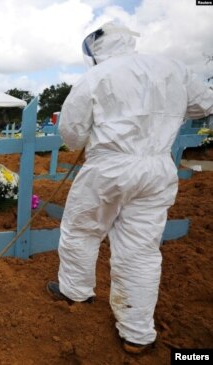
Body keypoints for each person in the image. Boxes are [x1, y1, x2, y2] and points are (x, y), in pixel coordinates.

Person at [46, 22, 213, 354]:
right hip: (157, 167)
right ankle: (137, 333)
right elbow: (204, 105)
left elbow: (71, 131)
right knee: (140, 248)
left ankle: (75, 291)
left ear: (95, 51)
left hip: (110, 166)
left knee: (82, 229)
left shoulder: (96, 77)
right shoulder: (173, 68)